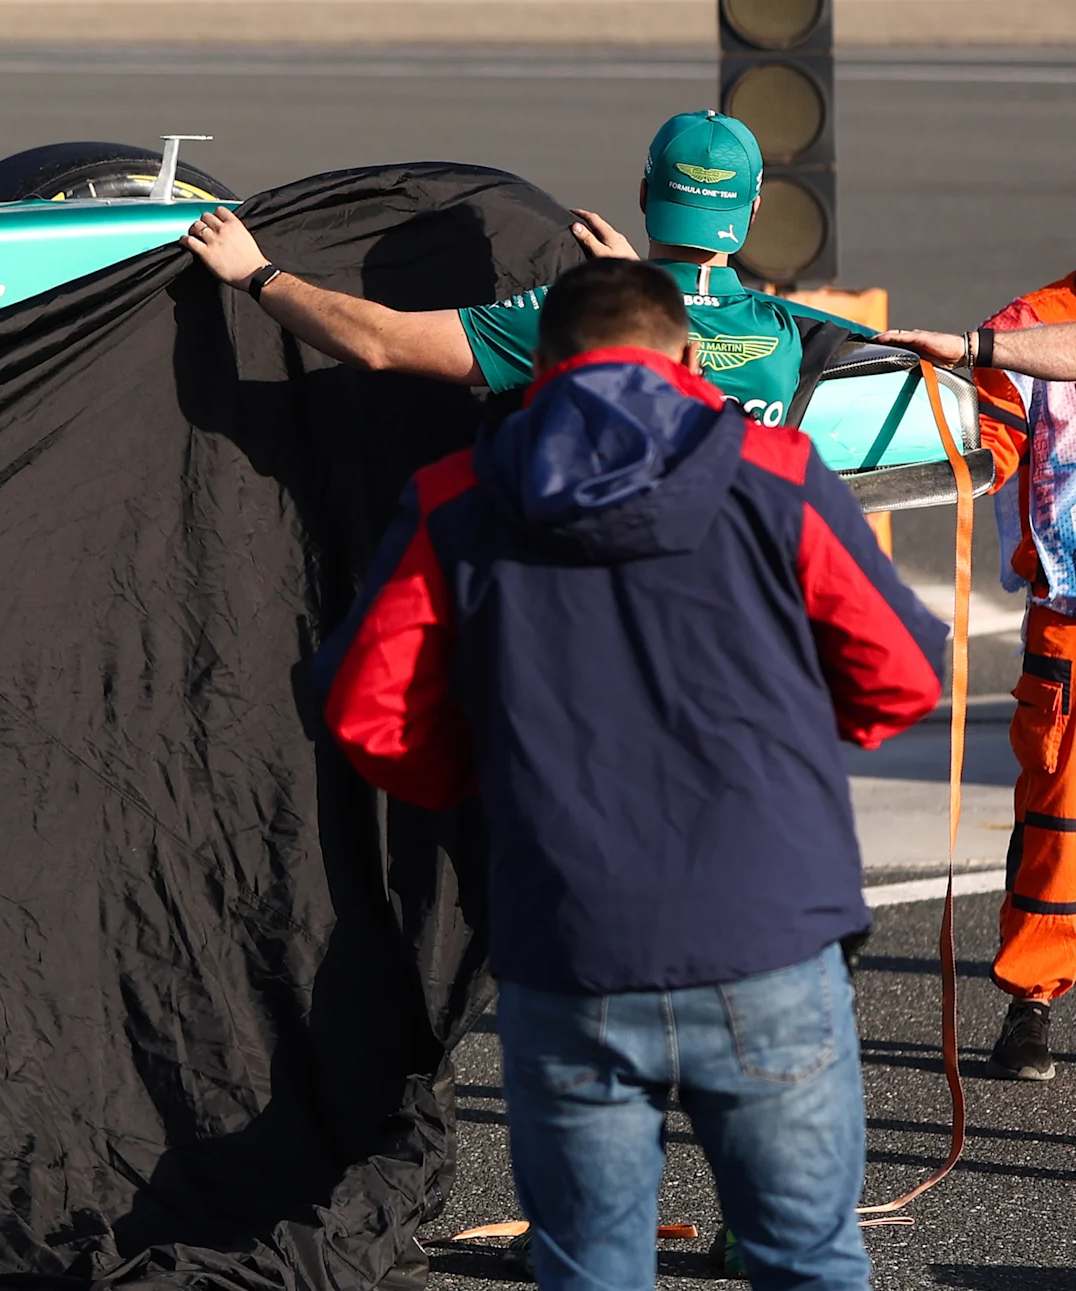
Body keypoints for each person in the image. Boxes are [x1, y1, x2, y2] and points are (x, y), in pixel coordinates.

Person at [322, 259, 944, 1291]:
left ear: (542, 367)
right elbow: (900, 676)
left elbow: (368, 712)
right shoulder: (777, 473)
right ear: (687, 355)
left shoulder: (456, 497)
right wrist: (789, 749)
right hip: (768, 929)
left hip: (569, 938)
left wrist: (486, 782)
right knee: (805, 1260)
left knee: (589, 1266)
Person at [180, 111, 867, 427]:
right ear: (751, 210)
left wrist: (258, 275)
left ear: (643, 195)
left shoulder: (578, 314)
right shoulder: (794, 333)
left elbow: (379, 343)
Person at [875, 301, 1076, 1081]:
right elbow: (991, 430)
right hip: (1068, 619)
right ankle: (1033, 999)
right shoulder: (1030, 322)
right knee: (1057, 822)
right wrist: (964, 447)